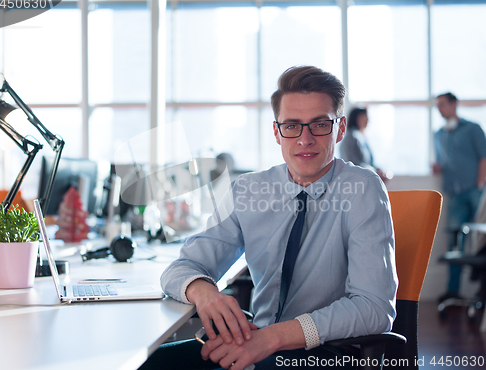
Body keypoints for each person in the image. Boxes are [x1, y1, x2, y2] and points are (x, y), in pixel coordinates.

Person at [140, 66, 397, 370]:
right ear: (277, 132)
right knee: (151, 363)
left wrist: (273, 339)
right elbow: (181, 268)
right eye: (291, 126)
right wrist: (203, 291)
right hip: (256, 343)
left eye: (319, 125)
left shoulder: (363, 189)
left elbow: (374, 308)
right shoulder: (248, 190)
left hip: (327, 351)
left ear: (340, 129)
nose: (304, 139)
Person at [433, 92, 486, 303]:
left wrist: (480, 184)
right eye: (437, 105)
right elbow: (441, 161)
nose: (439, 109)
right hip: (454, 195)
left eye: (443, 104)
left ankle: (481, 291)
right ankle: (452, 290)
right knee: (455, 242)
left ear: (454, 104)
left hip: (475, 191)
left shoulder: (473, 129)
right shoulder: (438, 134)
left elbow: (484, 157)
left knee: (481, 240)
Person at [339, 107, 389, 183]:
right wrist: (375, 171)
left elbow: (368, 162)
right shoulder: (351, 137)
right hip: (355, 182)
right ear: (356, 118)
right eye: (364, 117)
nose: (367, 120)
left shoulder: (362, 137)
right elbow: (353, 164)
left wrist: (377, 170)